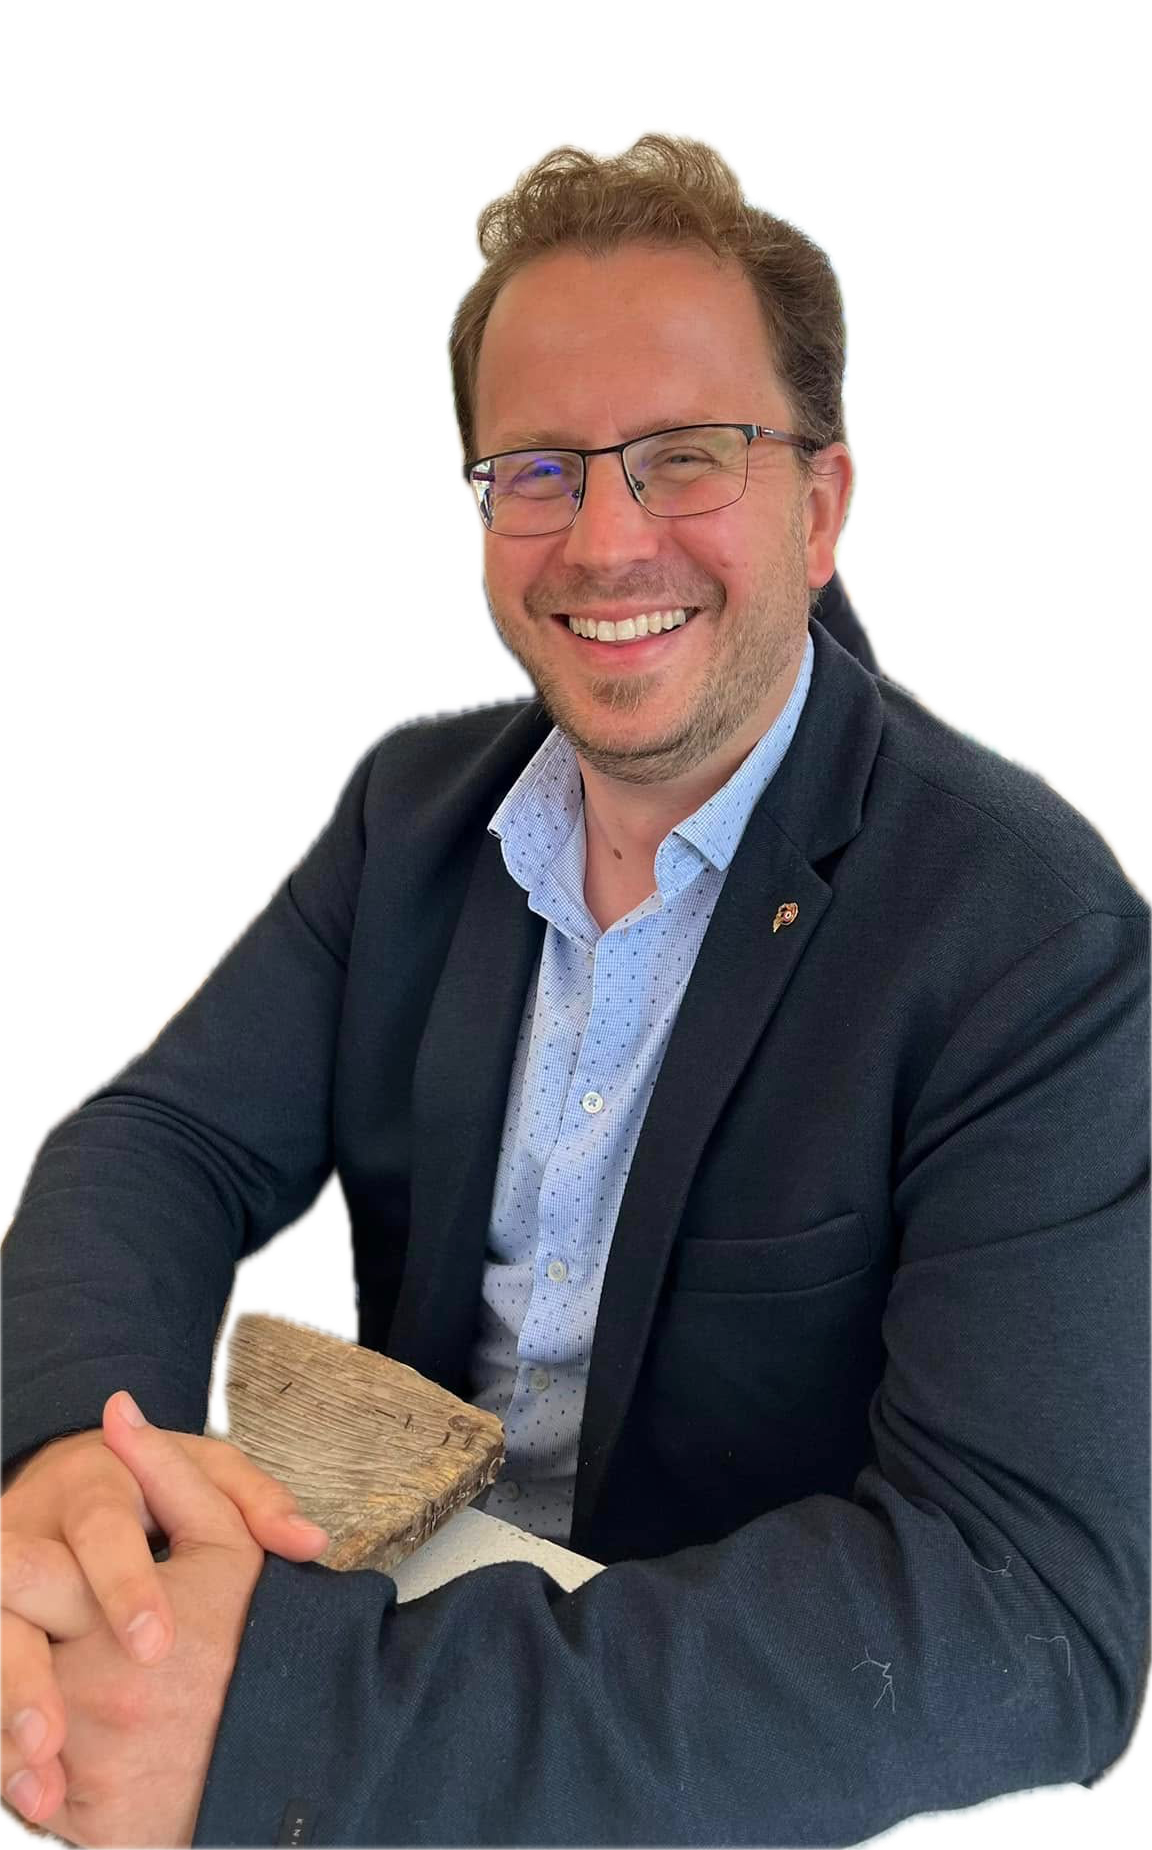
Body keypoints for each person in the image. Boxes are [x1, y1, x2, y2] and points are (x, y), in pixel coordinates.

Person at [1, 132, 1148, 1846]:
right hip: (379, 1609)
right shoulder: (413, 811)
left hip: (698, 1781)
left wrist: (304, 1727)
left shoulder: (1031, 930)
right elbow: (155, 1143)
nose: (606, 541)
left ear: (821, 504)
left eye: (686, 457)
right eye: (534, 469)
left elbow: (1023, 1619)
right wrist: (81, 1463)